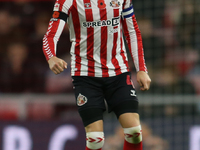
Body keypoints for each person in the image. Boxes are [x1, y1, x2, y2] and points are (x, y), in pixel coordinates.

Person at [42, 0, 151, 149]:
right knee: (95, 139)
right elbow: (50, 35)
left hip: (118, 72)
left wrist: (141, 69)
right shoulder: (68, 1)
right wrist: (51, 57)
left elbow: (132, 32)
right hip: (86, 75)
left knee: (134, 132)